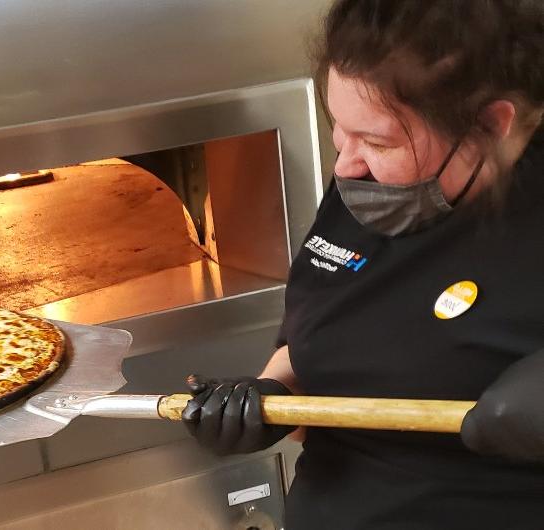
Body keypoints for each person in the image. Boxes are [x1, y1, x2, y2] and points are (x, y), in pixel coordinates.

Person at [181, 1, 544, 528]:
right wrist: (272, 395)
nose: (345, 163)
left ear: (490, 124)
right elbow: (324, 340)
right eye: (339, 127)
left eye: (377, 141)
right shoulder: (371, 183)